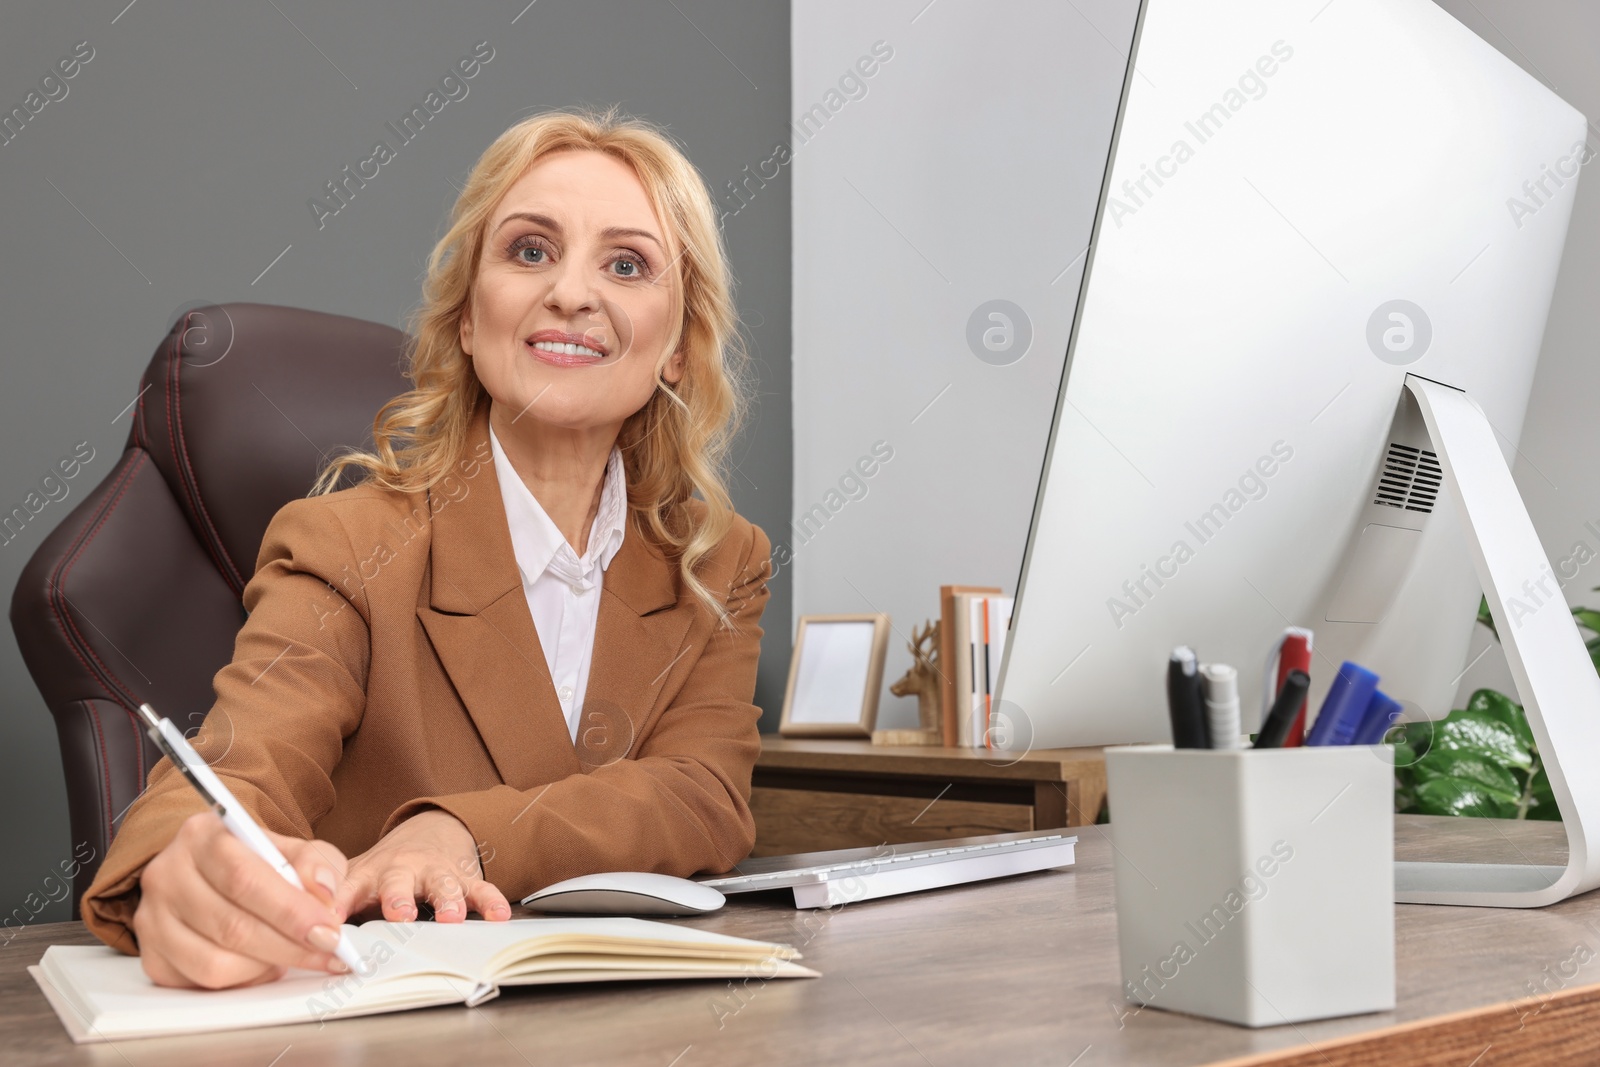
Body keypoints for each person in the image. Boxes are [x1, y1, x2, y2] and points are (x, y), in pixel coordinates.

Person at [78, 108, 774, 991]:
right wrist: (176, 872)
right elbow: (240, 770)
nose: (570, 292)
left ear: (677, 346)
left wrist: (464, 832)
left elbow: (702, 796)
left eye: (627, 263)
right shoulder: (346, 542)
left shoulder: (717, 562)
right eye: (529, 250)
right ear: (467, 322)